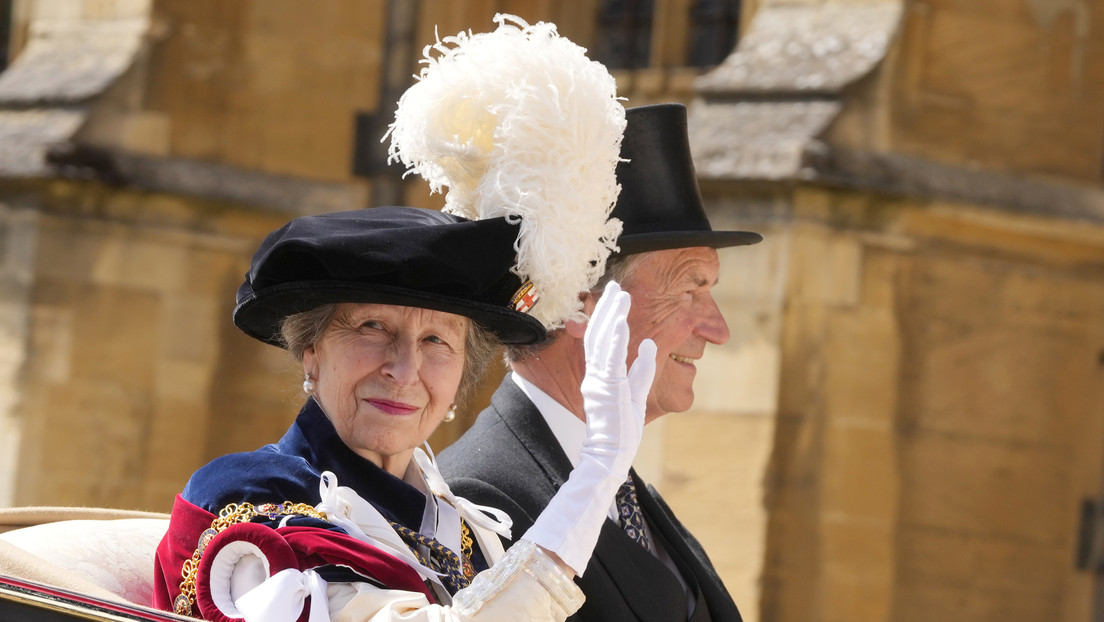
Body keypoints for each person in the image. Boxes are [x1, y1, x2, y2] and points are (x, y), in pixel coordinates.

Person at [152, 16, 649, 622]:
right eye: (372, 329)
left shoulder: (465, 531)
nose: (404, 368)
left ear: (463, 374)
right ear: (311, 350)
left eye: (438, 340)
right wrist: (589, 486)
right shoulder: (252, 501)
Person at [438, 103, 762, 622]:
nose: (717, 329)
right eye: (689, 289)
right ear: (580, 304)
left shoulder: (631, 493)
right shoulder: (479, 499)